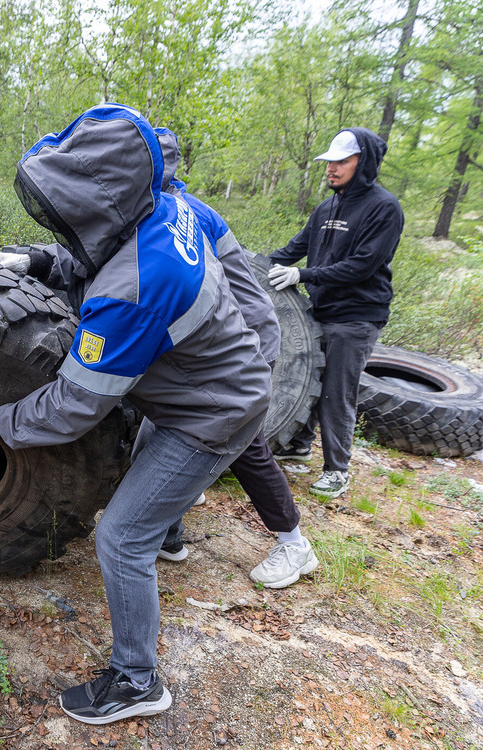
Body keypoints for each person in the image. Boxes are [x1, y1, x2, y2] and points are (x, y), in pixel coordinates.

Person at [0, 104, 271, 724]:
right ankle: (167, 533)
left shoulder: (134, 288)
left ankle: (136, 680)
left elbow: (73, 406)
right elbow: (106, 248)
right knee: (146, 493)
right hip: (208, 383)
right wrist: (38, 263)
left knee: (121, 537)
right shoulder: (167, 207)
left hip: (211, 414)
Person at [154, 128, 318, 589]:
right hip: (225, 344)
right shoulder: (173, 208)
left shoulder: (184, 214)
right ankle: (169, 535)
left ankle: (294, 545)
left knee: (247, 447)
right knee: (169, 426)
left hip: (247, 344)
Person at [267, 128, 403, 500]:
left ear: (364, 163)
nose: (332, 168)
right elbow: (294, 248)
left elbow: (362, 266)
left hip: (357, 315)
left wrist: (303, 274)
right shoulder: (327, 207)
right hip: (322, 308)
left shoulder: (384, 207)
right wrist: (248, 262)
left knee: (337, 391)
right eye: (330, 161)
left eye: (342, 161)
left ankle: (337, 470)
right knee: (309, 375)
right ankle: (299, 444)